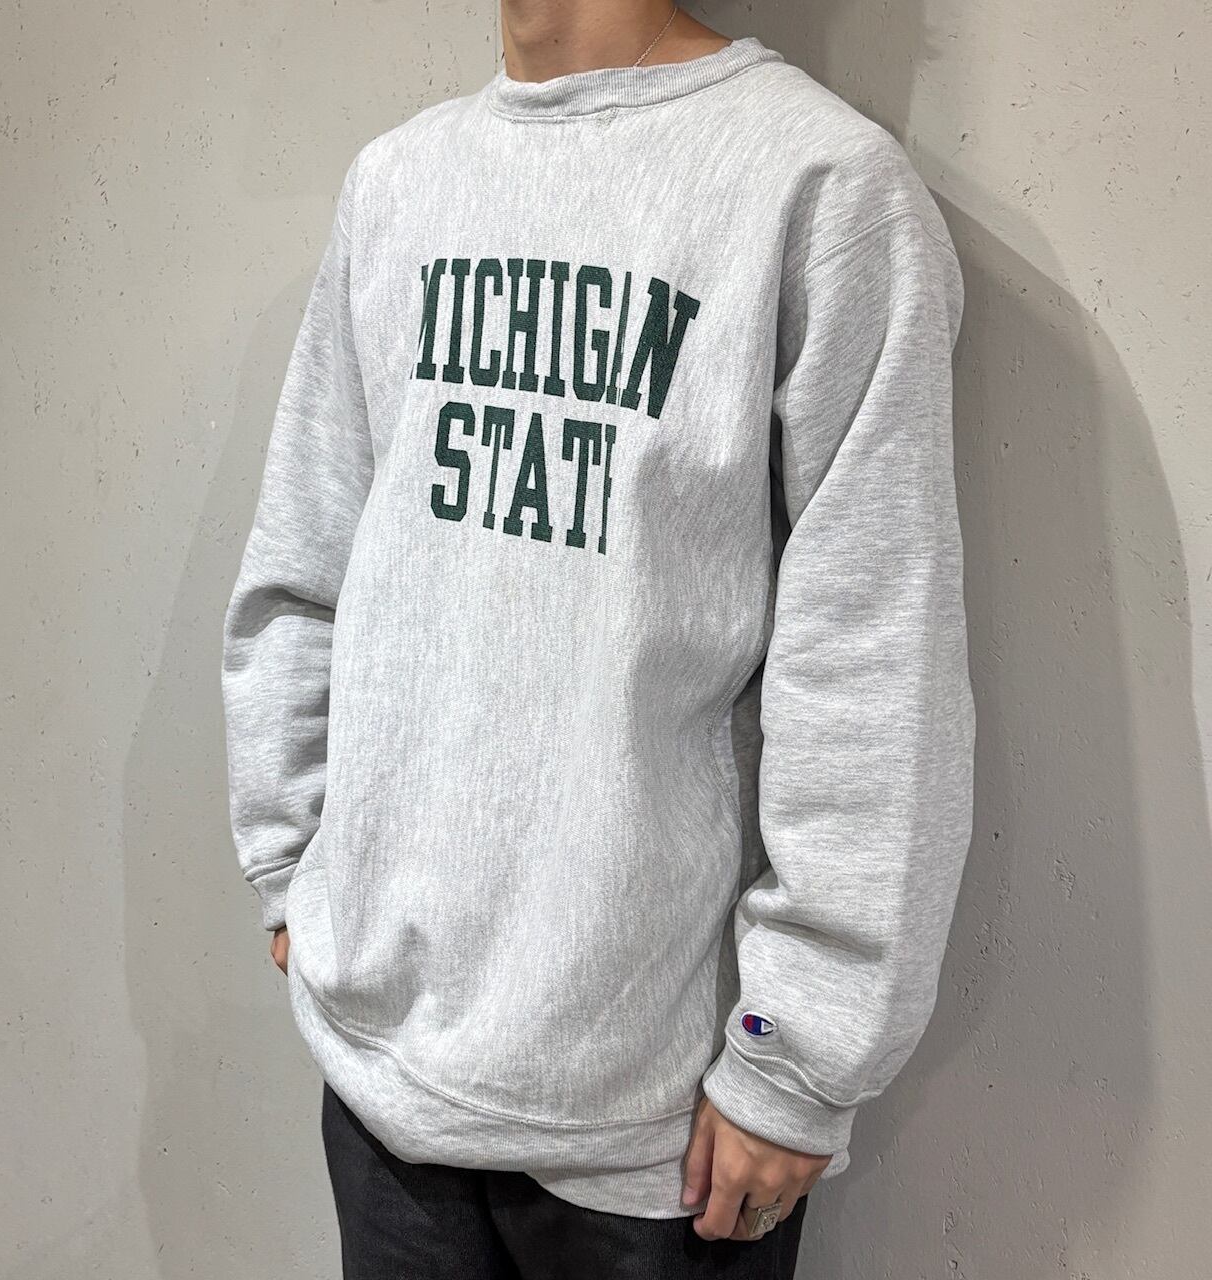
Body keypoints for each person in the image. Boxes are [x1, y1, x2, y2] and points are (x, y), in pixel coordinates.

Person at [220, 1, 975, 1275]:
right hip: (381, 1079)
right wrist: (291, 861)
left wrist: (799, 1051)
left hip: (660, 1144)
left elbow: (871, 652)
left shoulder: (820, 185)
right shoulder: (399, 181)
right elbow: (308, 558)